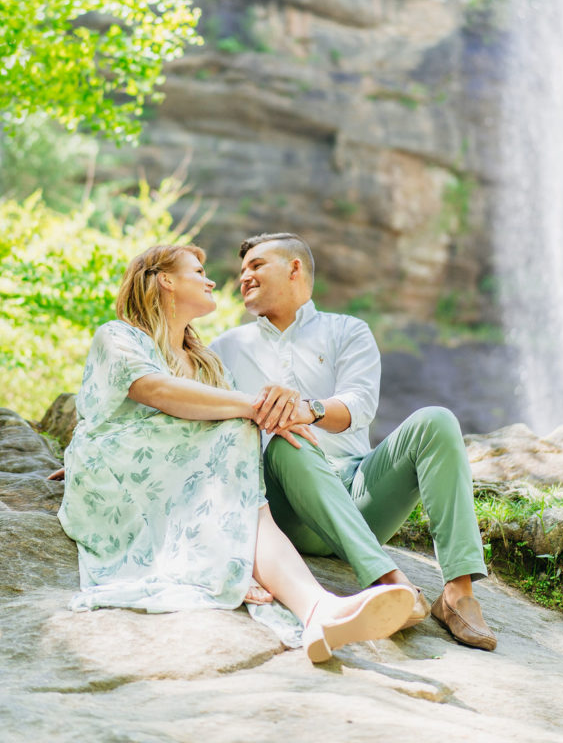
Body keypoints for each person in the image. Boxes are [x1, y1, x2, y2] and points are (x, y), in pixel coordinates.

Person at [57, 243, 415, 662]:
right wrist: (256, 408)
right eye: (198, 270)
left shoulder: (208, 363)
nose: (212, 280)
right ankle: (294, 593)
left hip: (178, 487)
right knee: (240, 424)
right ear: (166, 280)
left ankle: (317, 607)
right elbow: (154, 390)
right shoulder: (117, 336)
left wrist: (277, 418)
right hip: (116, 478)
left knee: (241, 433)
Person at [211, 233, 497, 652]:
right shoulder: (225, 349)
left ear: (295, 269)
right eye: (241, 271)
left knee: (436, 420)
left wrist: (309, 409)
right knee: (286, 440)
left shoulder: (347, 330)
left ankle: (458, 594)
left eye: (256, 265)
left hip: (359, 492)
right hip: (284, 508)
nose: (244, 277)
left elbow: (359, 404)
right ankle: (388, 583)